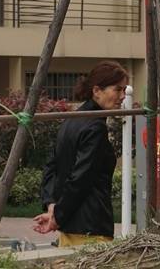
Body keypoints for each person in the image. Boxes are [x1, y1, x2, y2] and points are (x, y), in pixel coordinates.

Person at [33, 61, 129, 246]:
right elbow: (81, 178)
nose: (123, 96)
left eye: (124, 90)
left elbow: (52, 168)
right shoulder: (95, 127)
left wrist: (53, 207)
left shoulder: (71, 120)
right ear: (97, 91)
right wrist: (57, 217)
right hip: (91, 228)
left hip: (69, 228)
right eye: (118, 90)